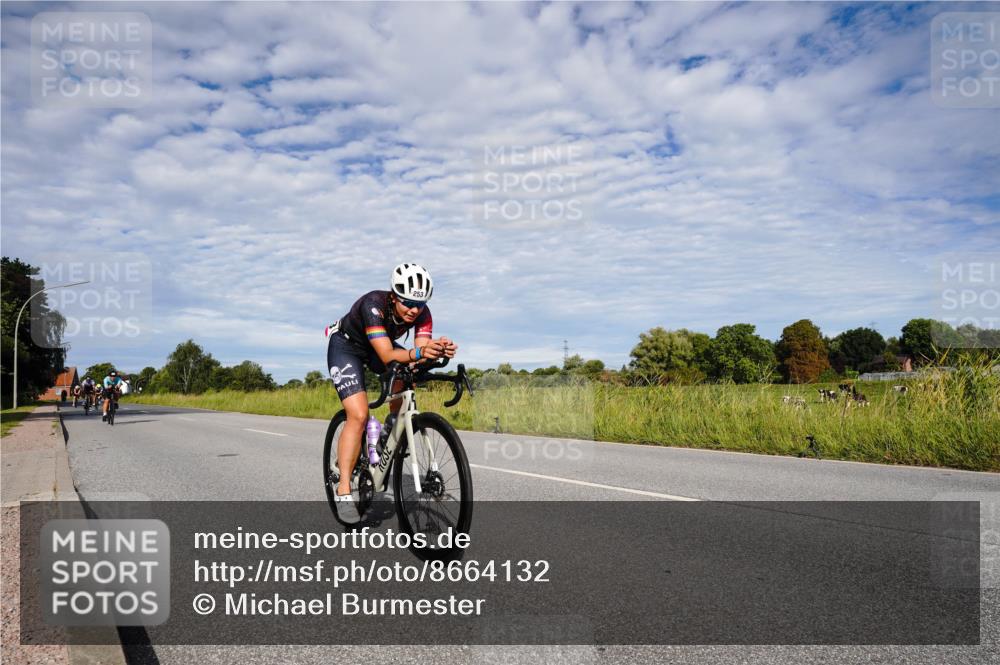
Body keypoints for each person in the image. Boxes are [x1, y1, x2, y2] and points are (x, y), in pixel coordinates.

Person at [325, 263, 457, 521]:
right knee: (359, 415)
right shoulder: (372, 304)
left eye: (419, 304)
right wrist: (418, 352)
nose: (414, 310)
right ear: (394, 296)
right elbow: (387, 354)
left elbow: (418, 353)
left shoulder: (422, 313)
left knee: (409, 376)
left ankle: (391, 431)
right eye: (407, 302)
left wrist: (437, 349)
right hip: (348, 347)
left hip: (378, 347)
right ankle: (343, 490)